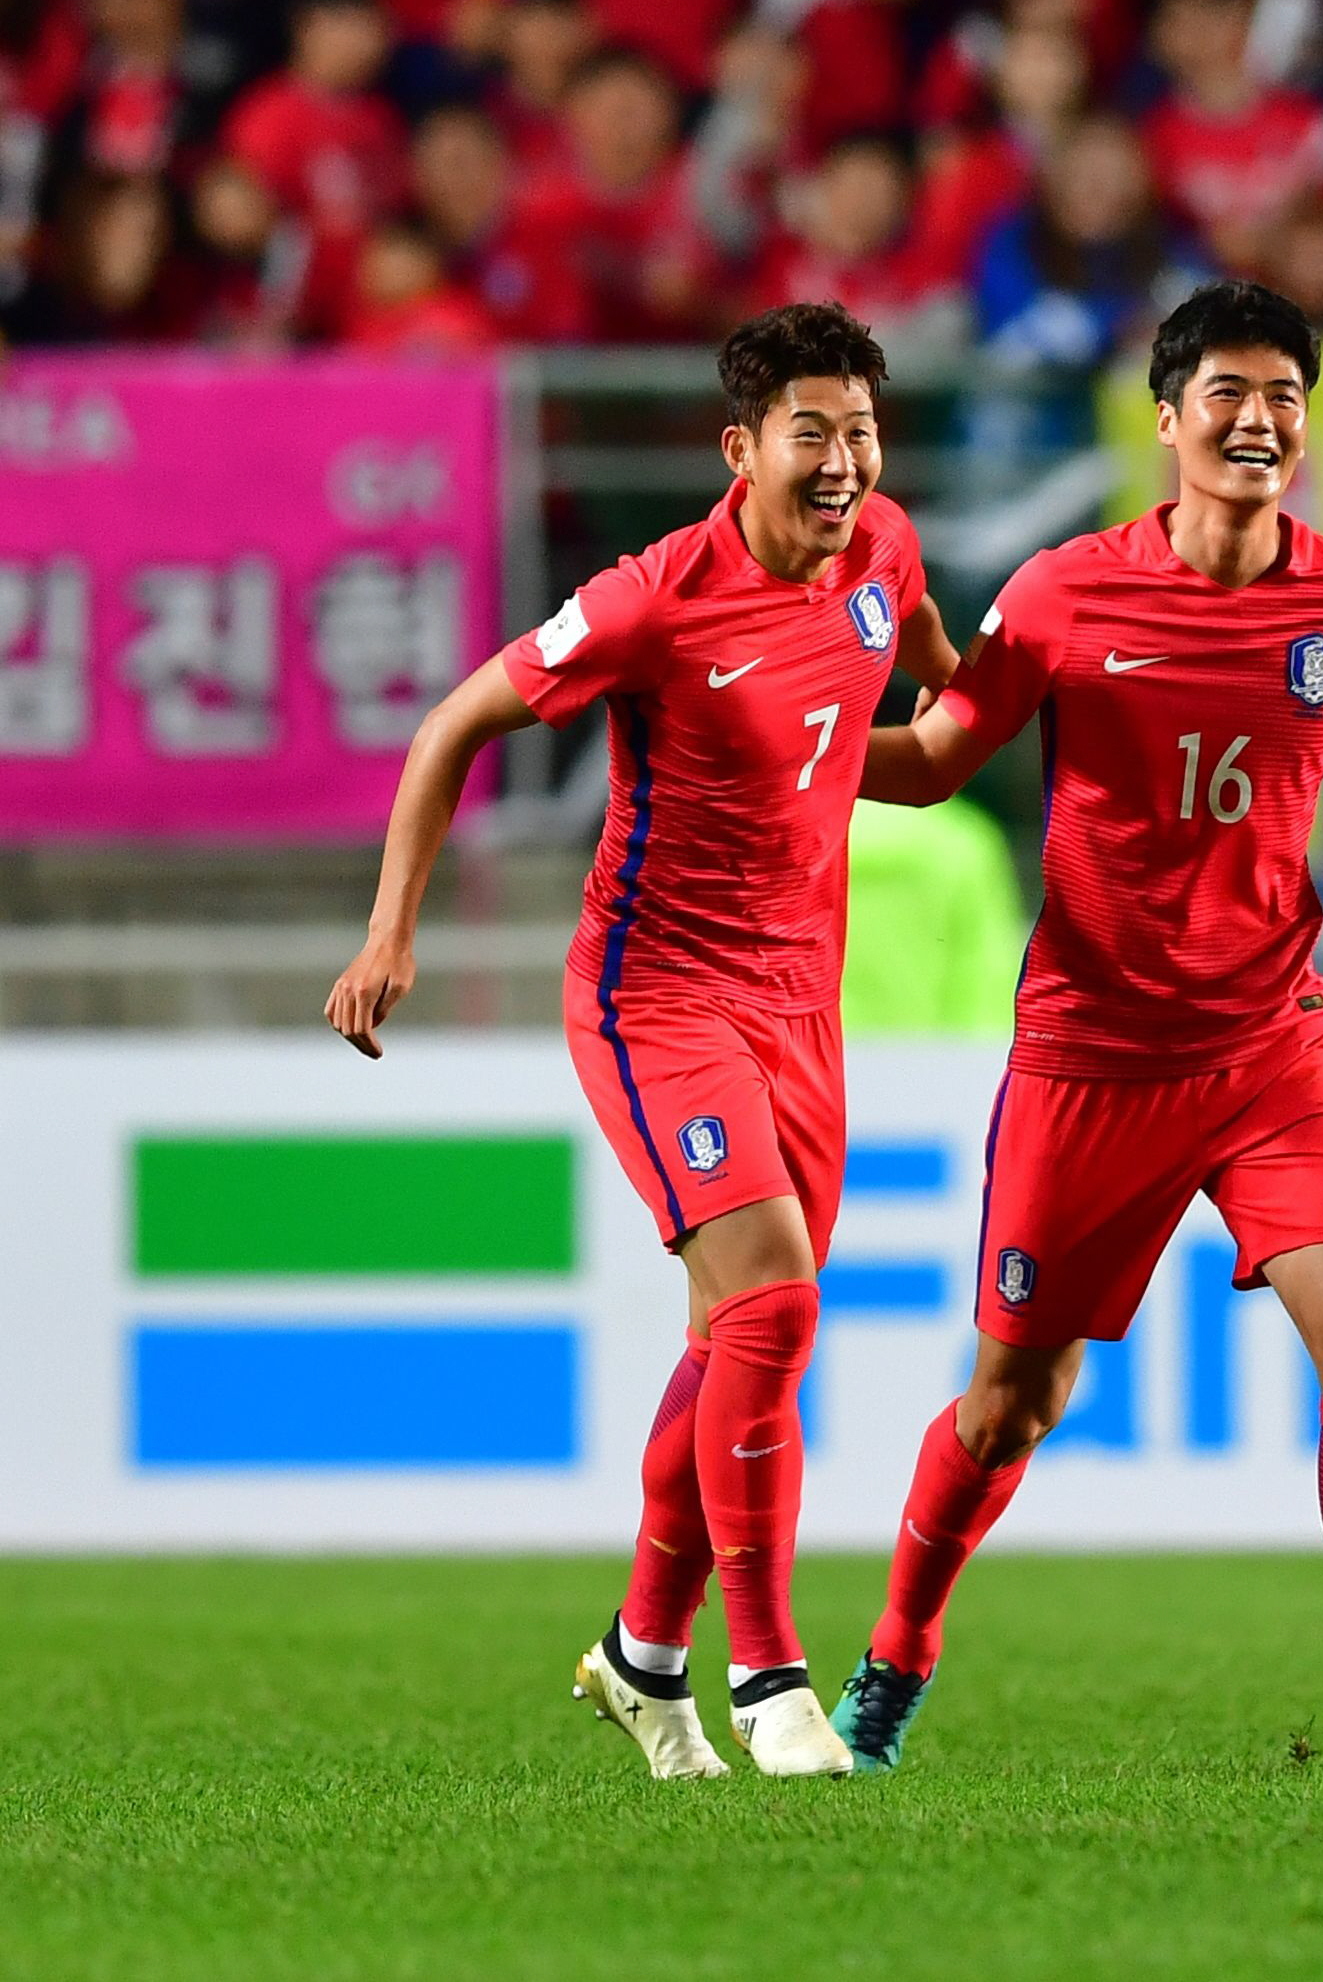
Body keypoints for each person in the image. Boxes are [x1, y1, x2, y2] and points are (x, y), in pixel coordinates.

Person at [829, 277, 1323, 1779]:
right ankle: (893, 1660)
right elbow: (939, 757)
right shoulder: (1067, 593)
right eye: (1230, 397)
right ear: (1167, 423)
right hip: (1091, 1057)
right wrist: (789, 760)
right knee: (1013, 1404)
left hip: (1269, 1044)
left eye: (1283, 400)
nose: (1258, 422)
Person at [324, 301, 960, 1780]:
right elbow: (451, 727)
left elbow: (934, 723)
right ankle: (772, 1675)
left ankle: (639, 1655)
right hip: (654, 992)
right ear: (742, 449)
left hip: (803, 1005)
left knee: (740, 1337)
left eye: (862, 432)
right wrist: (389, 930)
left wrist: (1030, 707)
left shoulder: (887, 556)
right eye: (813, 432)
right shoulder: (647, 600)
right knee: (778, 1309)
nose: (845, 461)